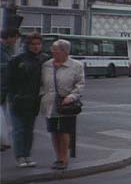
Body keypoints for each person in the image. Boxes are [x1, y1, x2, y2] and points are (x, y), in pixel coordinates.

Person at [40, 39, 84, 170]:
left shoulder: (76, 65)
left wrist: (71, 97)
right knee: (54, 130)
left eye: (56, 51)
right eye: (52, 50)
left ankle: (63, 159)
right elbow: (41, 83)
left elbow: (80, 85)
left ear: (65, 52)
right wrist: (42, 95)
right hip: (50, 102)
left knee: (64, 130)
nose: (53, 52)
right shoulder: (46, 65)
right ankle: (58, 157)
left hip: (66, 103)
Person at [8, 33, 47, 167]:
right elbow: (9, 79)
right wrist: (13, 96)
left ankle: (27, 155)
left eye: (38, 44)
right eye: (33, 44)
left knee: (29, 130)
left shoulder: (44, 59)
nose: (36, 47)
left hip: (34, 100)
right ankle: (20, 156)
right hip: (18, 99)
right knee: (19, 129)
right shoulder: (18, 59)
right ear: (27, 45)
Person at [0, 29, 19, 151]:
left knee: (2, 114)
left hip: (4, 86)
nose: (16, 41)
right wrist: (11, 65)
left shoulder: (5, 48)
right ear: (9, 37)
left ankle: (3, 140)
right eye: (15, 38)